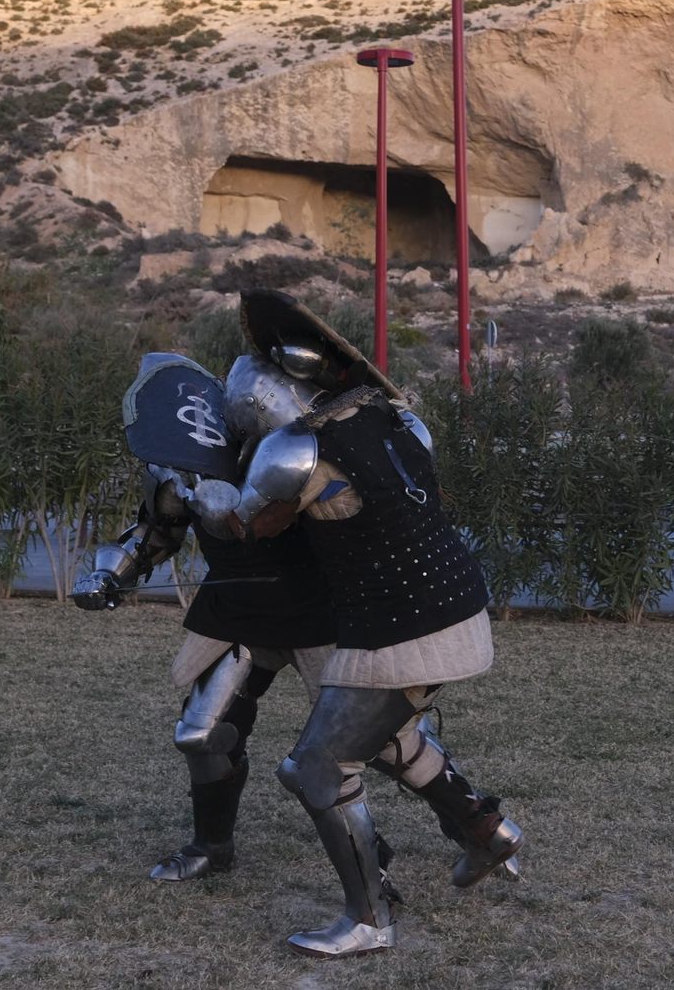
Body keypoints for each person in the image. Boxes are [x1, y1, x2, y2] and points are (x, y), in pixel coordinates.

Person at [216, 295, 524, 960]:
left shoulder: (296, 454)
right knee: (388, 740)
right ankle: (489, 831)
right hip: (455, 610)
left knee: (316, 769)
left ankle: (369, 919)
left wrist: (204, 498)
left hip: (402, 630)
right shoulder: (400, 421)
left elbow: (247, 526)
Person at [72, 354, 340, 883]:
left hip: (319, 611)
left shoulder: (305, 451)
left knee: (384, 740)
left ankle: (480, 824)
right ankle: (212, 847)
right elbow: (157, 530)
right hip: (237, 613)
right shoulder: (186, 459)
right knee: (201, 734)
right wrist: (111, 573)